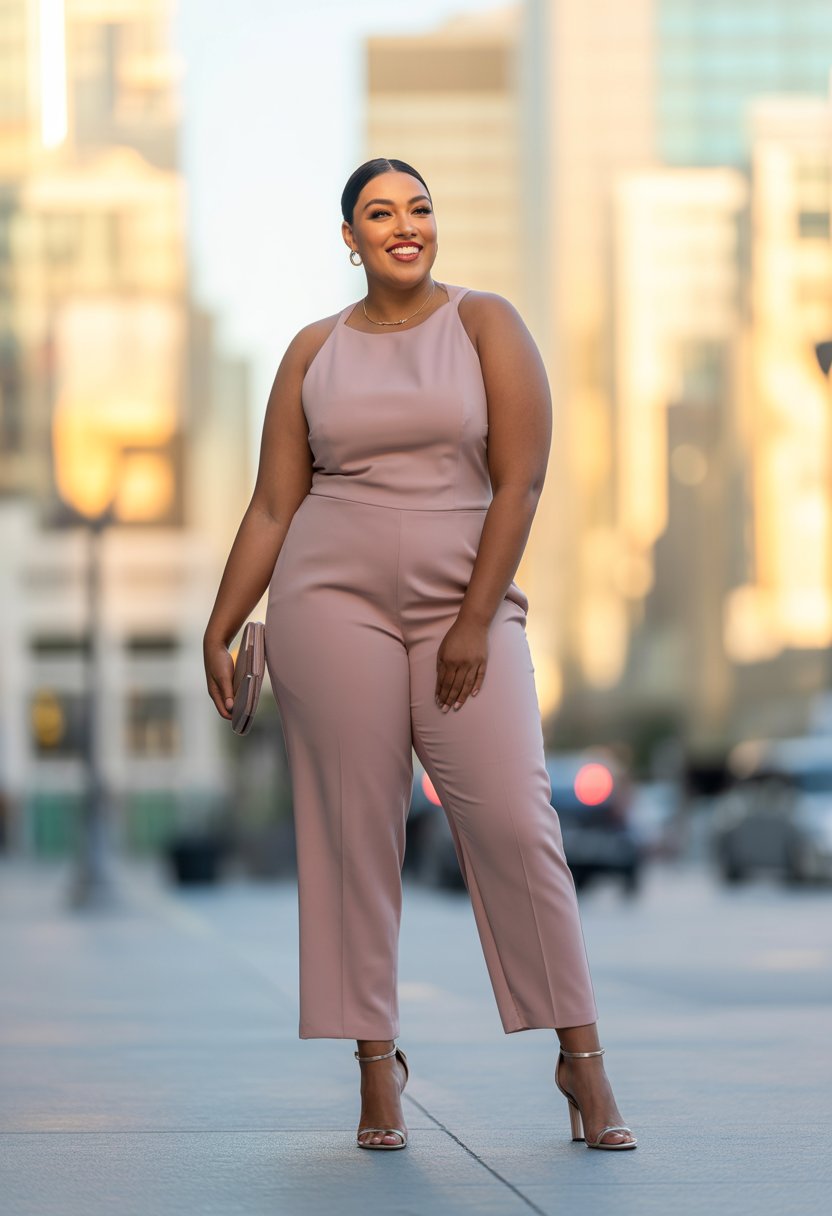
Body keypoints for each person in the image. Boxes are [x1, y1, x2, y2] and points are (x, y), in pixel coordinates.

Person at [203, 157, 637, 1153]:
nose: (405, 226)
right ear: (348, 239)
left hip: (463, 602)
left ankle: (582, 1063)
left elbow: (520, 482)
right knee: (355, 837)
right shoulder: (312, 350)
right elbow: (275, 504)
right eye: (379, 213)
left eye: (420, 208)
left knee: (516, 827)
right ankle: (374, 1071)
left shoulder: (485, 323)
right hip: (326, 597)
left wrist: (478, 619)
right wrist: (220, 624)